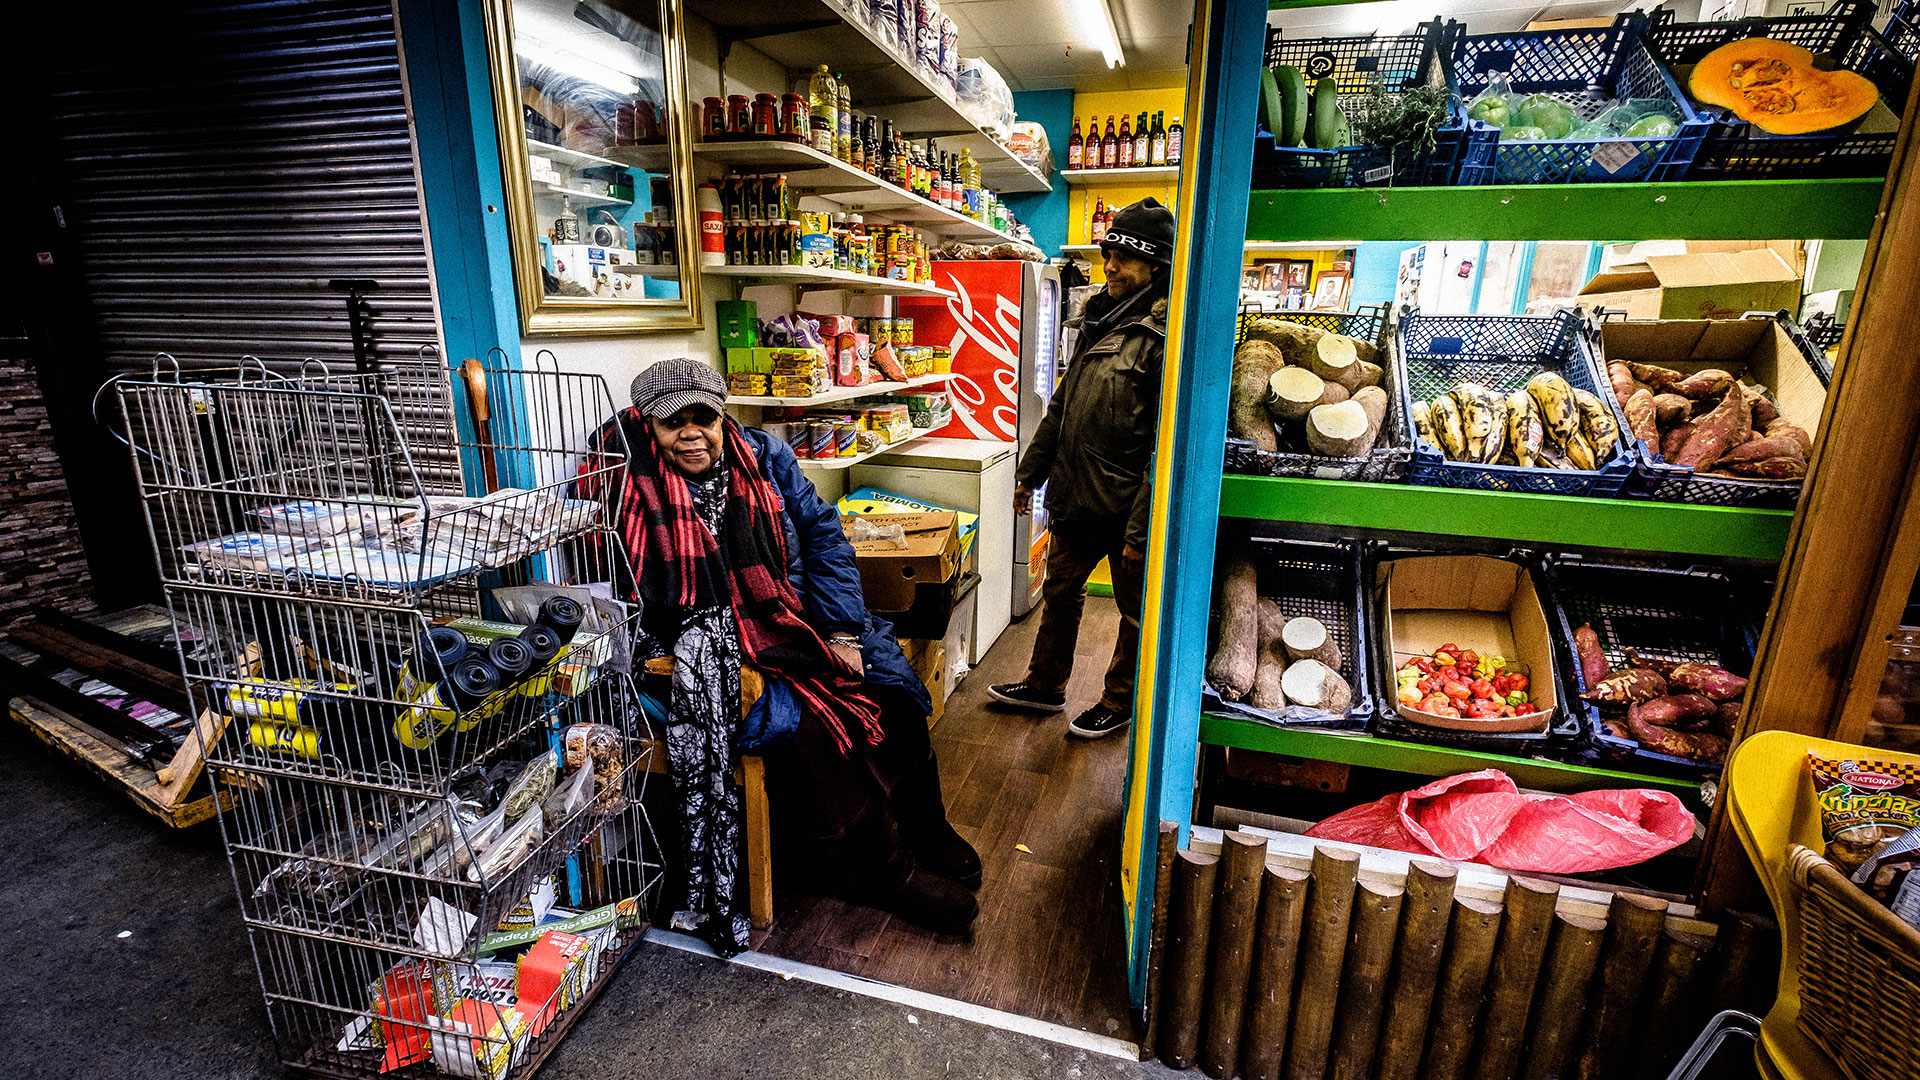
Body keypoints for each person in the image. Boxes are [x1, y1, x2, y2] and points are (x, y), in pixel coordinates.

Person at [602, 359, 980, 955]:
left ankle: (927, 827)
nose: (692, 434)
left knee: (889, 691)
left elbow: (826, 536)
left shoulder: (766, 458)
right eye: (675, 424)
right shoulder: (625, 477)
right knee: (805, 730)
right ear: (650, 425)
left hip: (801, 619)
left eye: (705, 417)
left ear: (723, 416)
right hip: (714, 649)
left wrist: (841, 633)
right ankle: (885, 870)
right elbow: (616, 584)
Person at [988, 197, 1176, 740]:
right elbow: (1063, 405)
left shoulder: (1164, 336)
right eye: (1108, 253)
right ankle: (1045, 686)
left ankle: (1118, 702)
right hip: (1076, 493)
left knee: (1134, 612)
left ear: (1155, 266)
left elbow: (1164, 446)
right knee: (1061, 591)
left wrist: (1141, 528)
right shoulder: (1097, 317)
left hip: (1124, 507)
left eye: (1124, 258)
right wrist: (1031, 472)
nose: (1110, 266)